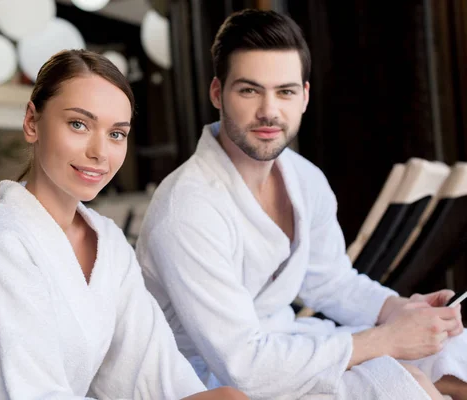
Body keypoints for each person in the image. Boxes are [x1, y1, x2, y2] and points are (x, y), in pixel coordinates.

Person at [136, 9, 467, 400]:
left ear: (305, 96)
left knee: (458, 349)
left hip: (292, 345)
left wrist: (399, 311)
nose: (269, 111)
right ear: (216, 93)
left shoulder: (303, 177)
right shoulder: (187, 208)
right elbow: (244, 368)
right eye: (249, 90)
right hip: (214, 379)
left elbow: (331, 282)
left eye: (285, 91)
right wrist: (386, 341)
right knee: (406, 387)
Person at [0, 49, 247, 400]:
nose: (100, 152)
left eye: (116, 134)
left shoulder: (109, 242)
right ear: (32, 122)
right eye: (79, 124)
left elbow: (151, 368)